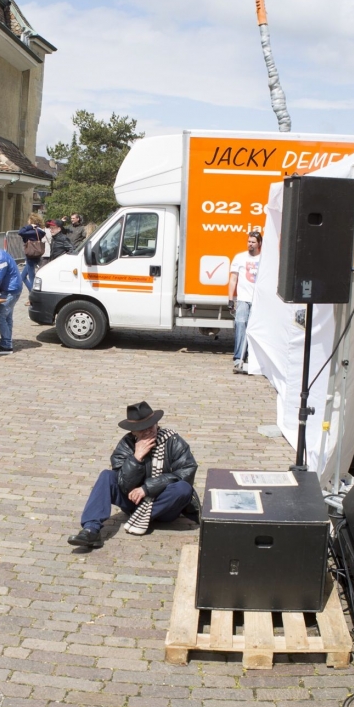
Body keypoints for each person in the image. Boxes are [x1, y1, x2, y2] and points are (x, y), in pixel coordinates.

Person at [70, 401, 199, 549]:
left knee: (183, 488)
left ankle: (141, 517)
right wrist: (136, 458)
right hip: (133, 501)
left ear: (157, 423)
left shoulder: (173, 441)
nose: (148, 432)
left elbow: (186, 472)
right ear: (133, 432)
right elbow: (123, 483)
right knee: (106, 475)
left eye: (151, 426)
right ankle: (91, 530)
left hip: (164, 506)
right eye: (142, 429)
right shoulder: (126, 445)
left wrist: (147, 488)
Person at [229, 230, 262, 374]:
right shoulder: (240, 257)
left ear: (259, 243)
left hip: (258, 300)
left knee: (255, 329)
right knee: (240, 325)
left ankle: (252, 358)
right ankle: (238, 358)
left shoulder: (264, 259)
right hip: (243, 299)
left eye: (253, 242)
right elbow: (233, 279)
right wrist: (231, 299)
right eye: (249, 241)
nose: (250, 244)